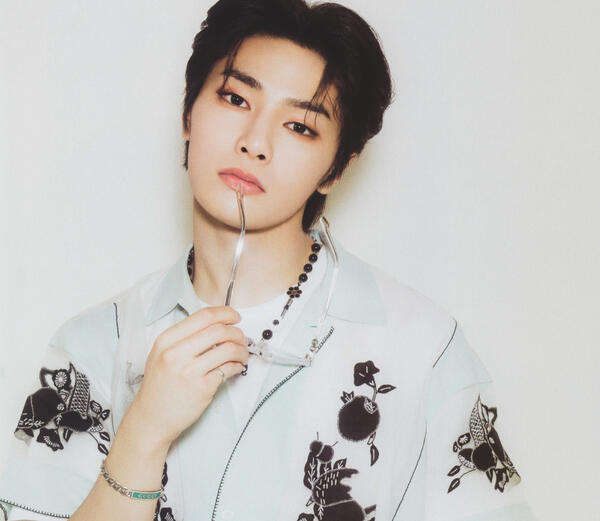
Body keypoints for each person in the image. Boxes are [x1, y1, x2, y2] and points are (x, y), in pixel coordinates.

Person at [0, 0, 538, 520]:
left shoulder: (422, 349)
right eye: (235, 99)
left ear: (336, 168)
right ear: (188, 112)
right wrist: (143, 434)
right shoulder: (95, 347)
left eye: (300, 126)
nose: (255, 142)